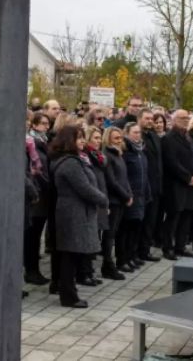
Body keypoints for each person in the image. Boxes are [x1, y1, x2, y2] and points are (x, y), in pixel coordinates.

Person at [49, 125, 108, 308]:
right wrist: (103, 199)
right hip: (73, 212)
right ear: (68, 140)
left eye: (83, 137)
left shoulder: (74, 159)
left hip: (76, 210)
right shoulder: (70, 163)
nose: (83, 140)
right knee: (70, 255)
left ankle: (68, 291)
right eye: (78, 137)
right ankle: (68, 296)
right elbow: (84, 188)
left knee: (71, 254)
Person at [161, 110, 193, 259]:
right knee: (174, 217)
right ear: (174, 119)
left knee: (186, 217)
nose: (185, 120)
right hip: (176, 184)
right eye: (182, 118)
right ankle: (168, 247)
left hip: (190, 184)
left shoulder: (187, 136)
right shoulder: (169, 138)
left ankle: (180, 246)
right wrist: (188, 177)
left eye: (187, 118)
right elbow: (172, 162)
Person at [82, 127, 118, 281]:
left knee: (96, 237)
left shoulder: (99, 157)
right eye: (95, 138)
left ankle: (89, 270)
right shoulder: (87, 157)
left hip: (101, 199)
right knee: (90, 238)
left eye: (99, 138)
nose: (98, 141)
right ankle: (85, 272)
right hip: (93, 201)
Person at [118, 123, 151, 271]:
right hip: (130, 196)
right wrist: (127, 194)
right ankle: (122, 259)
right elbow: (123, 176)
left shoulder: (141, 151)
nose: (138, 135)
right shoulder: (126, 152)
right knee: (125, 229)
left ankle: (132, 256)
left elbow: (145, 174)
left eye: (139, 132)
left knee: (136, 228)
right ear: (127, 134)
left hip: (141, 195)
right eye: (135, 133)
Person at [102, 126, 134, 274]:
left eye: (120, 138)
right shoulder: (107, 155)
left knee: (114, 232)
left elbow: (125, 178)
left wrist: (129, 194)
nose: (119, 140)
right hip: (114, 200)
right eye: (115, 138)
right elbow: (112, 181)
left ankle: (112, 262)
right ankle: (107, 264)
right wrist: (125, 195)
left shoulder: (119, 155)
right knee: (109, 234)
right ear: (108, 139)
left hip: (121, 199)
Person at [25, 113, 52, 286]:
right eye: (42, 123)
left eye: (47, 123)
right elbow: (35, 170)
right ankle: (31, 270)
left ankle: (33, 269)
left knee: (35, 236)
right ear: (34, 125)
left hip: (43, 195)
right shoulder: (31, 143)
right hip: (36, 194)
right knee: (32, 237)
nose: (46, 126)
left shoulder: (43, 142)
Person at [137, 110, 163, 262]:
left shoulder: (154, 136)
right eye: (146, 118)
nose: (149, 121)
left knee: (150, 222)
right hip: (142, 186)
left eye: (151, 119)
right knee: (139, 222)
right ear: (139, 119)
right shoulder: (137, 135)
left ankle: (145, 251)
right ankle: (134, 253)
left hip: (156, 186)